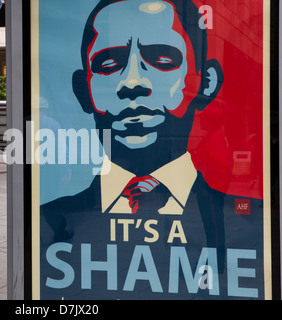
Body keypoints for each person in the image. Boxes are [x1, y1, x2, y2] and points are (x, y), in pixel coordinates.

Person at [40, 0, 264, 300]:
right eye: (108, 64)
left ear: (206, 84)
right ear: (84, 90)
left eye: (163, 58)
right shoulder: (57, 214)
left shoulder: (243, 215)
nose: (132, 82)